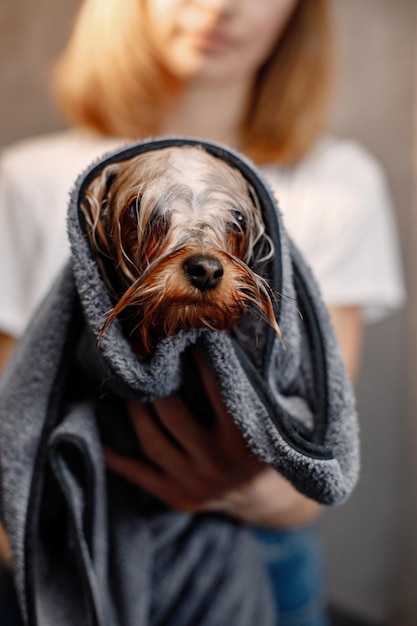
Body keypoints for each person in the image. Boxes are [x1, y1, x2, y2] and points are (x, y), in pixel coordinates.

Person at [0, 0, 406, 624]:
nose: (218, 7)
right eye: (152, 227)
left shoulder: (340, 183)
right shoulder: (21, 182)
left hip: (266, 558)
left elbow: (319, 467)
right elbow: (14, 438)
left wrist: (248, 486)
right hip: (72, 550)